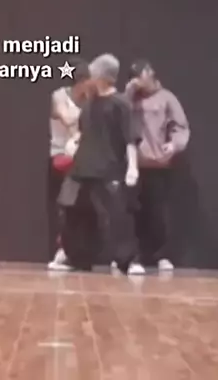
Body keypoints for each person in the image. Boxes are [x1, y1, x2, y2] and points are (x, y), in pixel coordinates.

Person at [68, 54, 139, 274]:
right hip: (82, 167)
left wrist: (133, 166)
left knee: (117, 215)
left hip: (108, 168)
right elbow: (83, 131)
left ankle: (126, 260)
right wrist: (74, 142)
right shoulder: (89, 104)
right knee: (74, 211)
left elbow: (130, 138)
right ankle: (78, 258)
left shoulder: (121, 104)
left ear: (102, 75)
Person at [122, 59, 190, 274]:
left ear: (150, 74)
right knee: (135, 213)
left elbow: (181, 126)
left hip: (158, 163)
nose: (139, 80)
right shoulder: (130, 100)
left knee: (158, 213)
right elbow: (119, 117)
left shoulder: (167, 98)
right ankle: (134, 257)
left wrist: (174, 144)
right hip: (134, 164)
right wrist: (128, 94)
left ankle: (161, 255)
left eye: (141, 75)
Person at [47, 60, 92, 271]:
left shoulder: (90, 100)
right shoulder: (59, 96)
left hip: (85, 161)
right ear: (80, 81)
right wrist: (77, 135)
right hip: (62, 158)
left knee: (84, 208)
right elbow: (67, 119)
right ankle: (62, 251)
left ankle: (81, 253)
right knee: (65, 207)